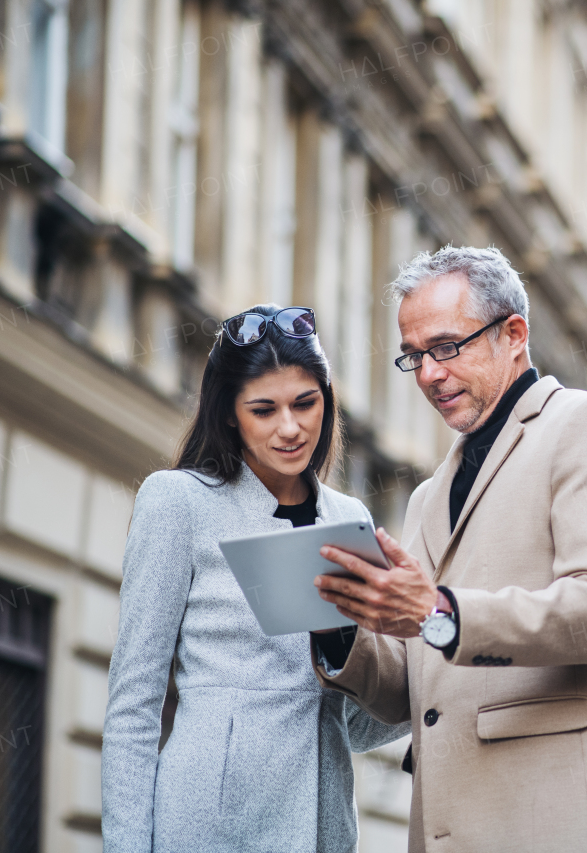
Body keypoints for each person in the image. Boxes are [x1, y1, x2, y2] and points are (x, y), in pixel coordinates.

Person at [309, 246, 587, 852]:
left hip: (550, 823)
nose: (428, 374)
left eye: (446, 347)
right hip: (445, 827)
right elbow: (408, 689)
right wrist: (343, 624)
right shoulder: (427, 496)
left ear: (514, 334)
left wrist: (439, 612)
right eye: (414, 356)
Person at [102, 305, 409, 853]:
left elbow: (360, 729)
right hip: (208, 826)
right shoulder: (179, 502)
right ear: (228, 415)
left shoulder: (348, 519)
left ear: (327, 401)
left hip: (324, 825)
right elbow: (134, 702)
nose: (290, 428)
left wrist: (401, 666)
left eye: (305, 403)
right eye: (264, 410)